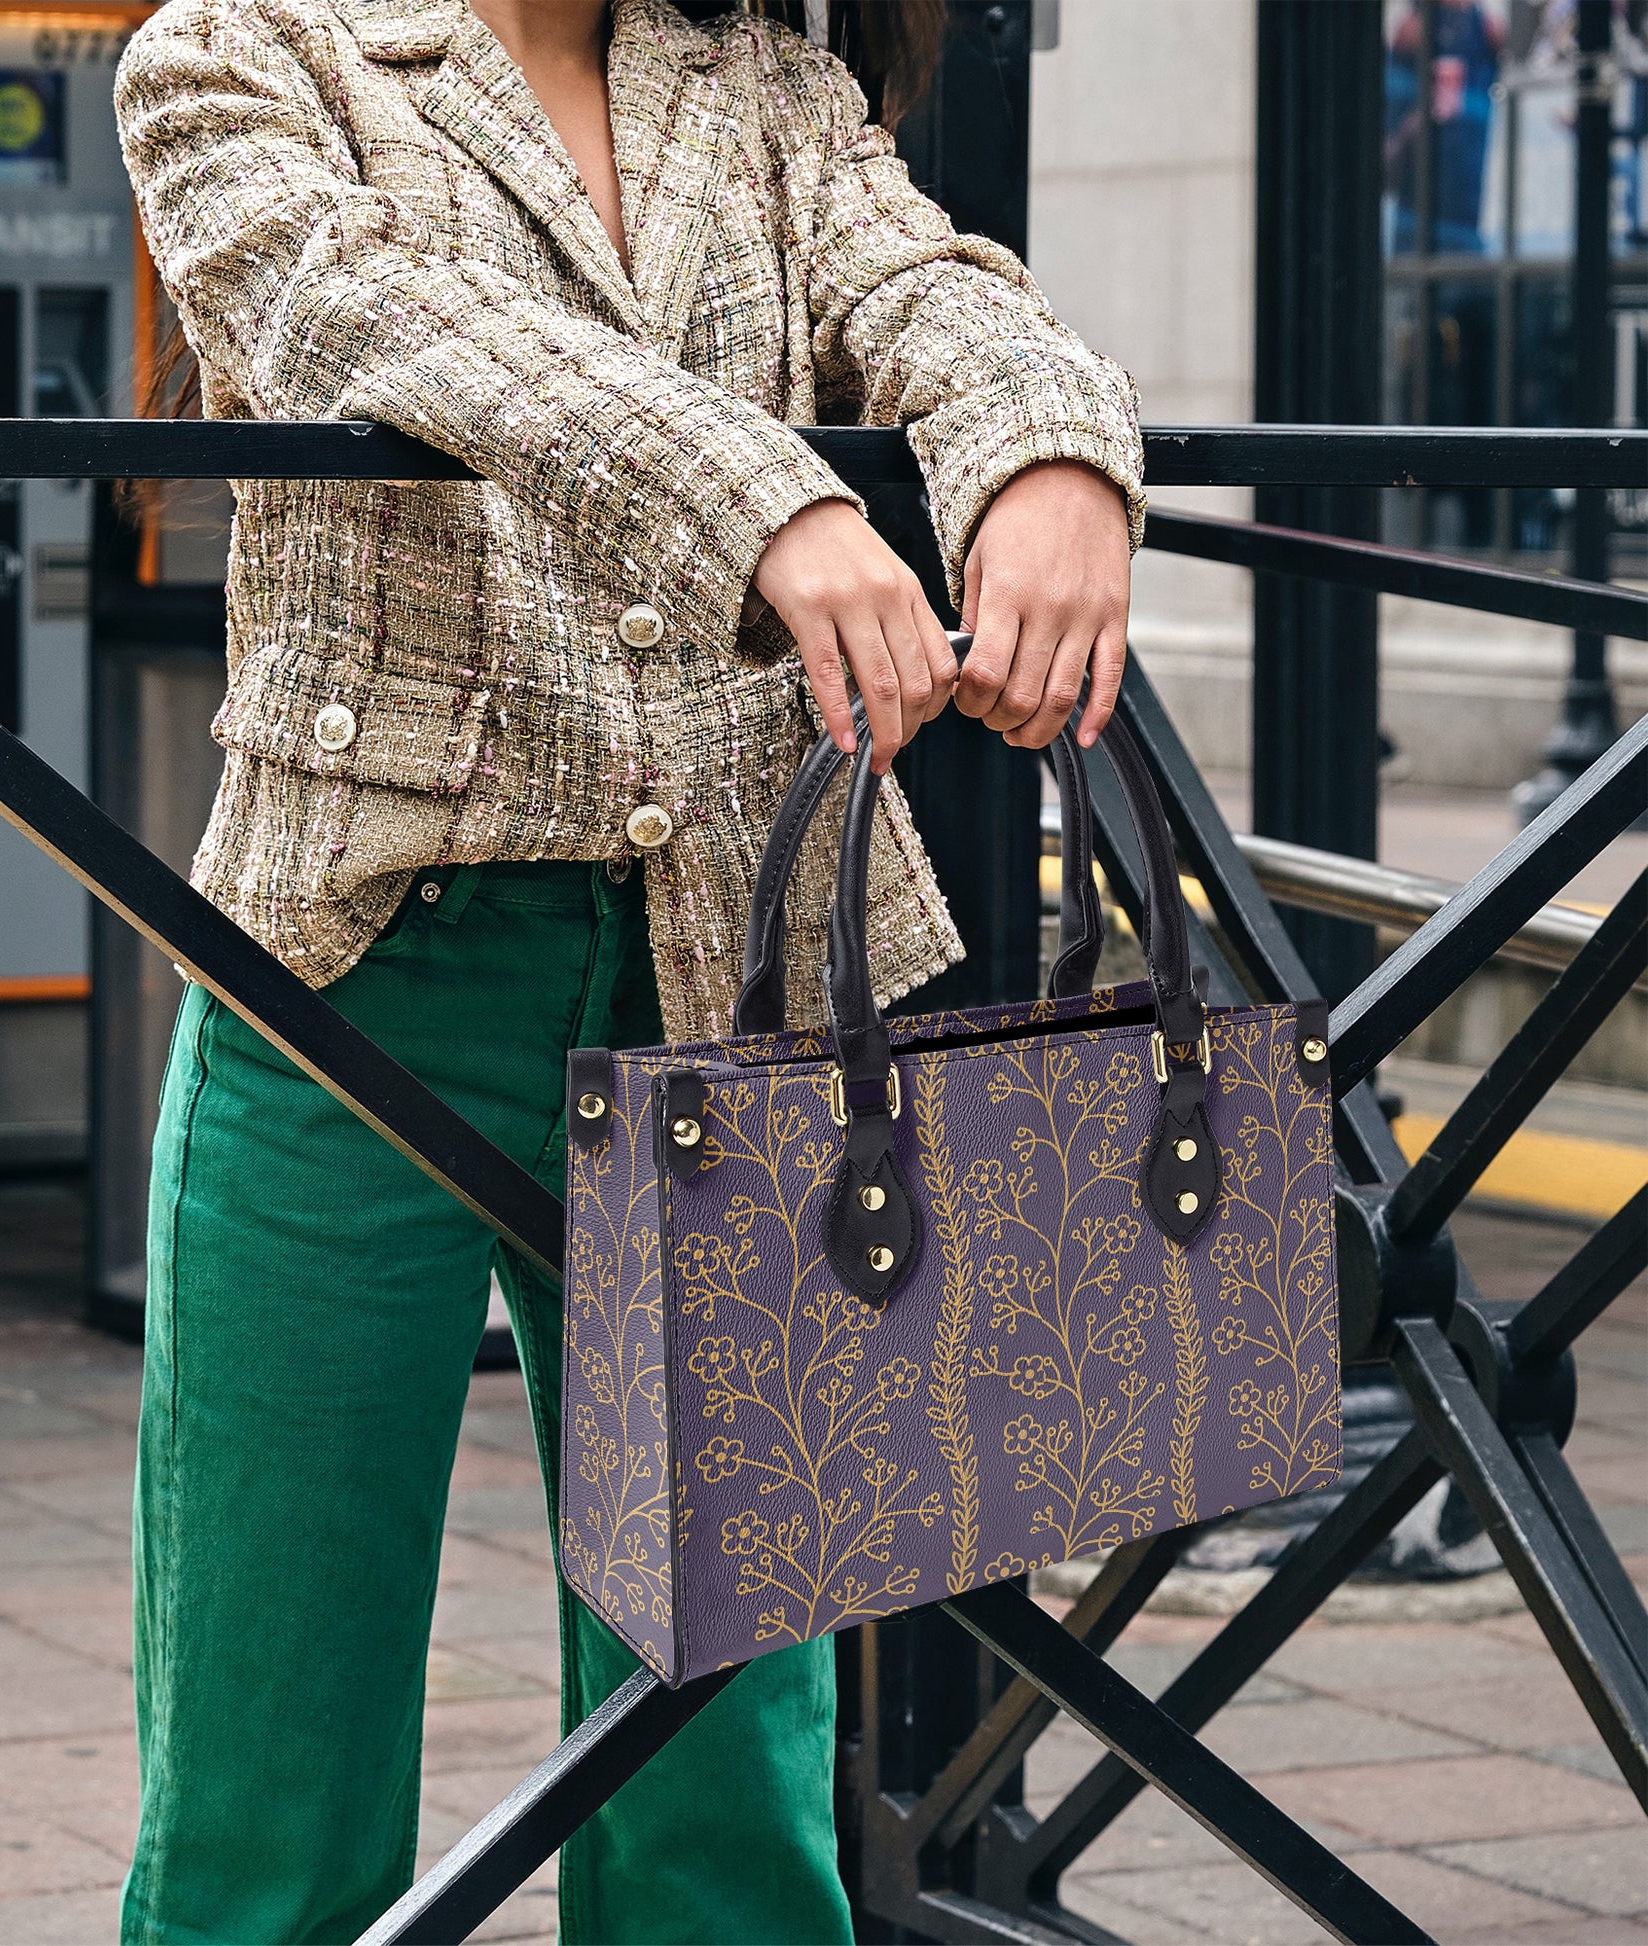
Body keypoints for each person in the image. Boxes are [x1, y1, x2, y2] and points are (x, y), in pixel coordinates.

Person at [112, 0, 1142, 1937]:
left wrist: (1049, 456)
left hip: (726, 982)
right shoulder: (237, 52)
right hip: (355, 985)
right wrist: (777, 502)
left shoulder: (757, 82)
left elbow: (929, 289)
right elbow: (386, 321)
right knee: (269, 1792)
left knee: (728, 1806)